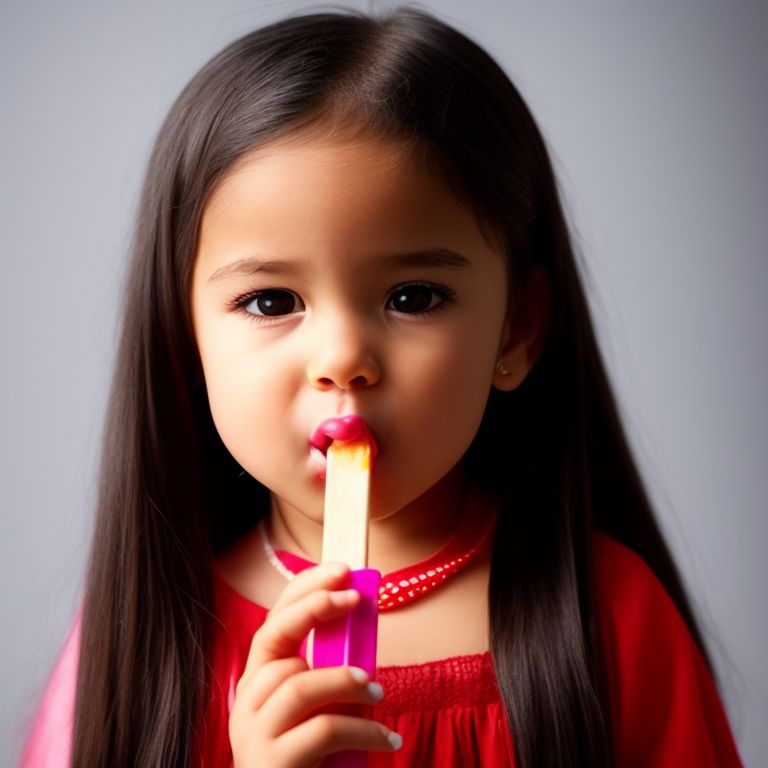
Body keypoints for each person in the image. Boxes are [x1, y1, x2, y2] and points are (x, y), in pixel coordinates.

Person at [20, 7, 743, 767]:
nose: (342, 358)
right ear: (184, 335)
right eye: (270, 302)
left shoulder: (612, 618)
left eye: (413, 296)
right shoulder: (140, 639)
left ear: (516, 330)